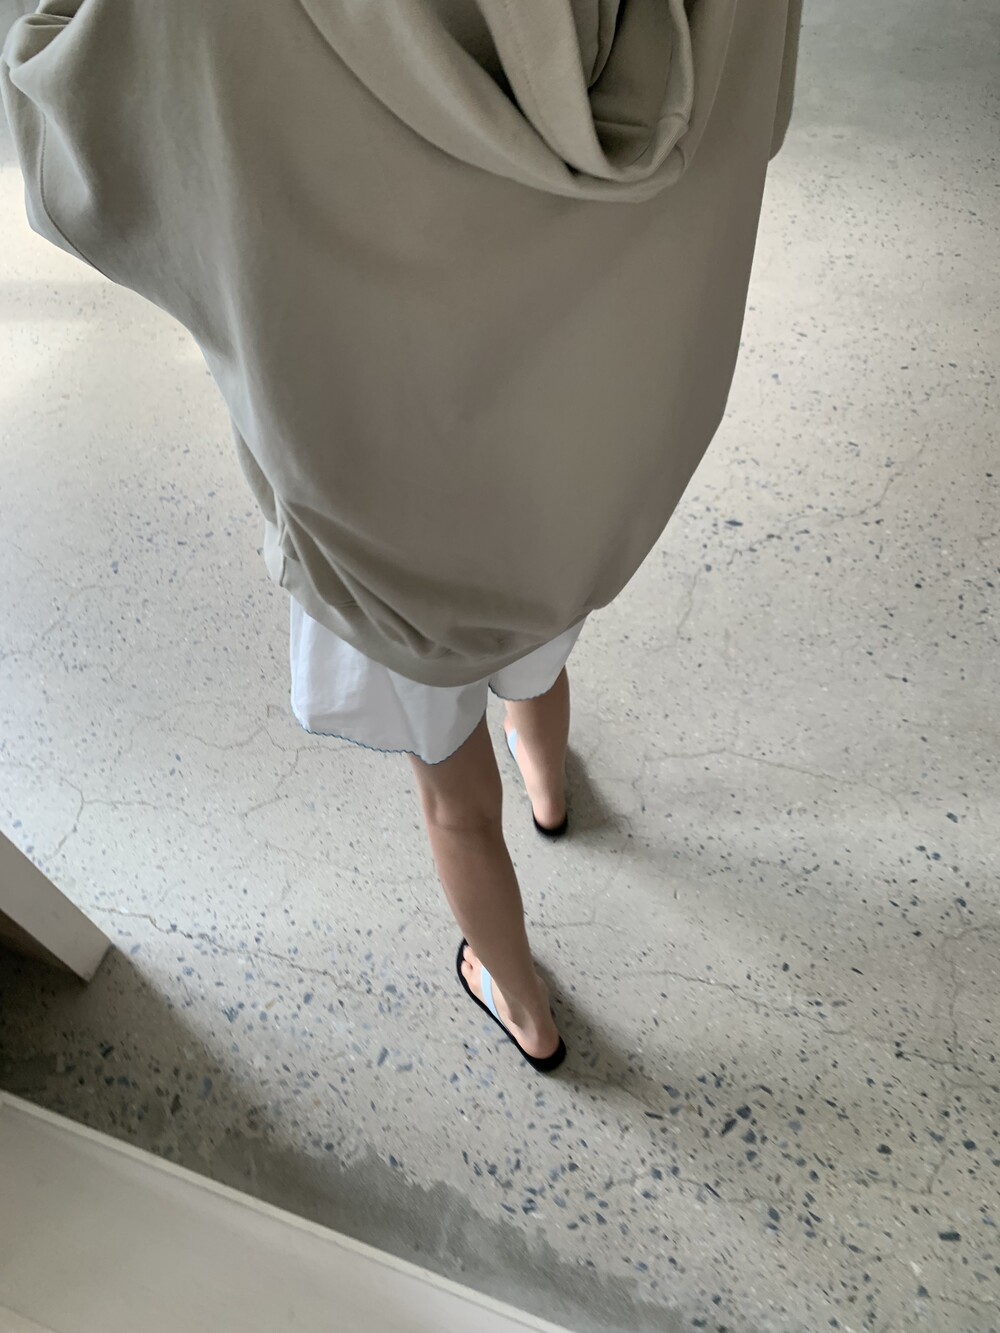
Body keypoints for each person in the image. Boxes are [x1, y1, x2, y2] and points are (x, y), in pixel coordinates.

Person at [2, 0, 801, 1074]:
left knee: (452, 801)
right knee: (538, 660)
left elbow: (71, 139)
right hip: (564, 481)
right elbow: (752, 114)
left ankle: (523, 1006)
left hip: (376, 519)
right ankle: (553, 794)